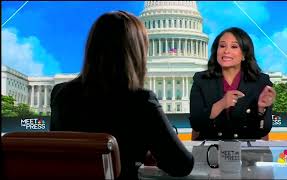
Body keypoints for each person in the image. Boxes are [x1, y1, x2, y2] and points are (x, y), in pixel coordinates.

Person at [50, 11, 194, 179]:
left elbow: (63, 153)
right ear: (136, 52)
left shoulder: (61, 95)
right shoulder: (141, 101)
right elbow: (181, 165)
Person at [189, 27, 276, 140]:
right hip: (211, 151)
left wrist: (261, 109)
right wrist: (221, 104)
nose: (226, 51)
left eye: (234, 46)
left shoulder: (261, 82)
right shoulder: (201, 80)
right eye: (222, 46)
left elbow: (263, 131)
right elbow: (196, 124)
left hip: (247, 153)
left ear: (244, 54)